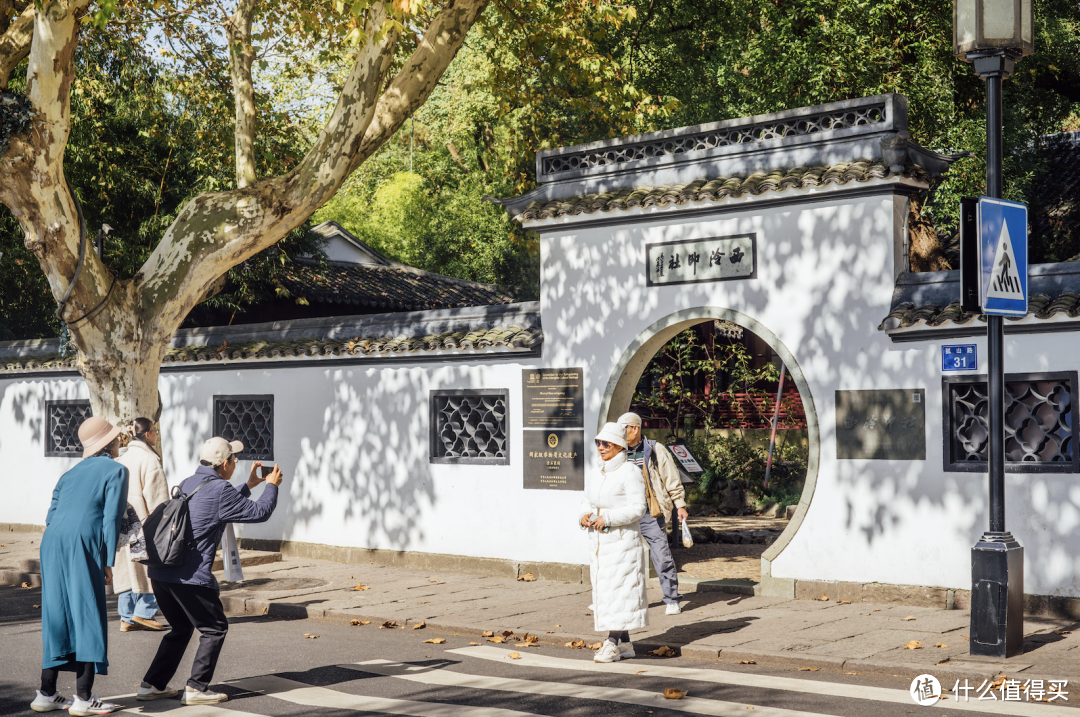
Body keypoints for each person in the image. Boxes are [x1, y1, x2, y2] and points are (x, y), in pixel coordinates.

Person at [139, 437, 282, 705]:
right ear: (225, 463)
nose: (235, 464)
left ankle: (152, 684)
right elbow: (260, 512)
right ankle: (196, 688)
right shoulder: (220, 489)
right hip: (190, 576)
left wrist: (250, 485)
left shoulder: (188, 482)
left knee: (180, 628)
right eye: (234, 460)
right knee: (214, 627)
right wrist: (271, 486)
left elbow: (217, 507)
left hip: (161, 573)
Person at [34, 417, 128, 716]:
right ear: (108, 443)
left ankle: (47, 693)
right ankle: (84, 698)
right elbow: (112, 517)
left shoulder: (69, 473)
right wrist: (108, 560)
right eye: (116, 438)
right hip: (82, 540)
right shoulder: (116, 469)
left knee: (56, 613)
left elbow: (52, 513)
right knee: (87, 612)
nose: (119, 442)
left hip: (52, 541)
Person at [578, 422, 648, 664]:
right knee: (608, 593)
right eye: (598, 442)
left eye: (606, 443)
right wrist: (584, 515)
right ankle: (625, 643)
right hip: (598, 542)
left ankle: (611, 642)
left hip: (622, 542)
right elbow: (586, 500)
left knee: (619, 592)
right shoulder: (598, 471)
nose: (601, 447)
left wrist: (607, 517)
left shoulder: (630, 471)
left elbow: (639, 507)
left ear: (619, 445)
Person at [618, 412, 688, 615]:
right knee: (624, 558)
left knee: (662, 555)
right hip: (625, 513)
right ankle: (627, 601)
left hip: (651, 512)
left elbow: (672, 479)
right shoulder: (617, 451)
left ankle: (672, 599)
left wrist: (680, 505)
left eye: (624, 429)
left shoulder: (655, 450)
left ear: (635, 428)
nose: (621, 434)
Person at [113, 418, 169, 632]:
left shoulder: (121, 459)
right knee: (151, 568)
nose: (157, 434)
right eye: (155, 431)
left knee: (127, 569)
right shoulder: (149, 459)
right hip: (144, 522)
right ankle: (144, 612)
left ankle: (126, 617)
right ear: (147, 435)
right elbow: (158, 500)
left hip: (121, 522)